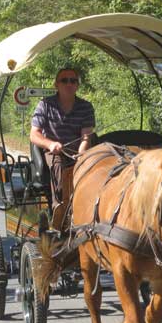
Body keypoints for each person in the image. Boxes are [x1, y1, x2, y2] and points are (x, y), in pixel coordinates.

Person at [30, 67, 95, 230]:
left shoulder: (86, 107)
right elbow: (34, 135)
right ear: (56, 84)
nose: (69, 84)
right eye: (64, 80)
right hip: (53, 151)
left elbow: (86, 136)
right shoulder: (45, 105)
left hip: (77, 152)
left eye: (73, 81)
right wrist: (50, 144)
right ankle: (60, 211)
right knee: (60, 167)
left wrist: (82, 154)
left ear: (77, 85)